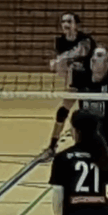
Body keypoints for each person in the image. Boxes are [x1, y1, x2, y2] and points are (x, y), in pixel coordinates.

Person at [40, 12, 96, 161]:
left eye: (69, 21)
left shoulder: (86, 39)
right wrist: (60, 67)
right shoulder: (60, 42)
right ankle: (52, 147)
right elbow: (64, 66)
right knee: (62, 112)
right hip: (75, 81)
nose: (65, 24)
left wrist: (59, 59)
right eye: (63, 21)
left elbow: (80, 51)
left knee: (89, 116)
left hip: (90, 82)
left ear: (76, 25)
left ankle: (97, 147)